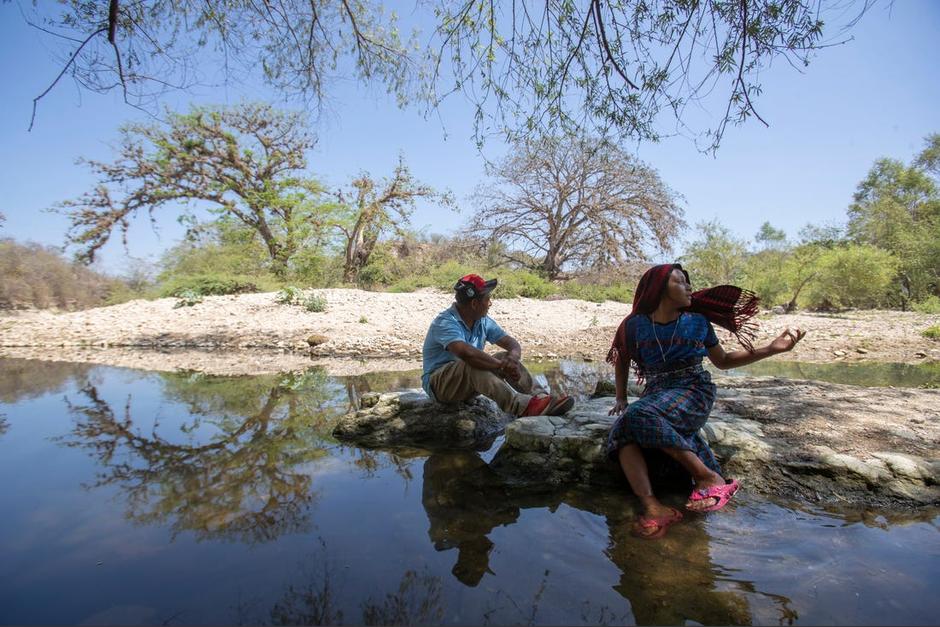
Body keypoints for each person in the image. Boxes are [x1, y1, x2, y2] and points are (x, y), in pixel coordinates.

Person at [605, 263, 805, 539]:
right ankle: (653, 506)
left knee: (637, 417)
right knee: (623, 431)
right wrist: (621, 397)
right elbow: (622, 359)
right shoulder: (633, 326)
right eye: (680, 281)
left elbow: (723, 361)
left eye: (688, 281)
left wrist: (771, 349)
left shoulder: (697, 322)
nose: (689, 287)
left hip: (694, 390)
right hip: (656, 393)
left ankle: (707, 476)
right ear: (658, 288)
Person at [422, 274, 574, 417]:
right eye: (487, 299)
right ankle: (522, 407)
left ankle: (541, 398)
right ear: (474, 304)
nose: (490, 303)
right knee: (471, 364)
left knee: (504, 356)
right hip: (440, 387)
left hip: (467, 384)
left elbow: (511, 343)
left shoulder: (482, 320)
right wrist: (501, 366)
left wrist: (512, 359)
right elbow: (466, 353)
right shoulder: (445, 322)